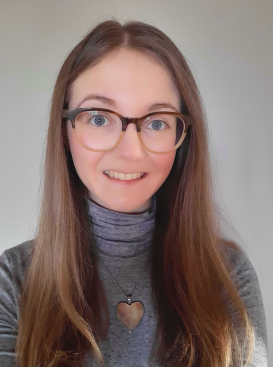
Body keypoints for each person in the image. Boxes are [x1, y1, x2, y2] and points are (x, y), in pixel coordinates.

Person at [0, 19, 268, 367]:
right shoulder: (13, 281)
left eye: (156, 122)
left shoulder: (227, 276)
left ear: (180, 137)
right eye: (99, 118)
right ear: (65, 130)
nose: (131, 151)